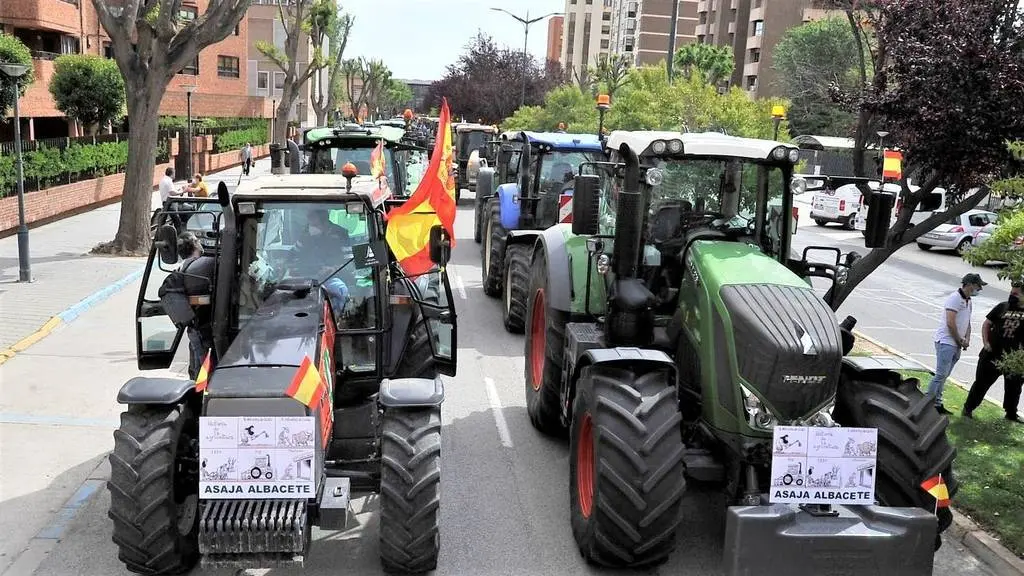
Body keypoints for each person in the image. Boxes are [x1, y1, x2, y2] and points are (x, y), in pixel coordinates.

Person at [964, 278, 1024, 422]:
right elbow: (986, 324)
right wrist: (986, 343)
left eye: (1015, 294)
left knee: (1014, 388)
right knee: (981, 384)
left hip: (1014, 359)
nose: (1011, 296)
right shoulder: (1002, 307)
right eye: (1011, 293)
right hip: (992, 355)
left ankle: (1011, 413)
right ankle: (968, 409)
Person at [159, 232, 217, 380]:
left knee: (197, 365)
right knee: (206, 369)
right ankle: (202, 396)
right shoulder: (203, 265)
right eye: (197, 240)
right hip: (205, 328)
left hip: (194, 328)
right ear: (195, 245)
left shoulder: (183, 267)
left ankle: (196, 391)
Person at [928, 273, 986, 414]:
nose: (980, 289)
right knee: (940, 375)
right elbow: (950, 322)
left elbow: (967, 322)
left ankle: (937, 403)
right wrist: (959, 340)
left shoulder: (968, 301)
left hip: (956, 344)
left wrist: (967, 339)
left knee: (944, 375)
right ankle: (927, 402)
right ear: (970, 284)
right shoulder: (955, 298)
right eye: (978, 286)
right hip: (946, 342)